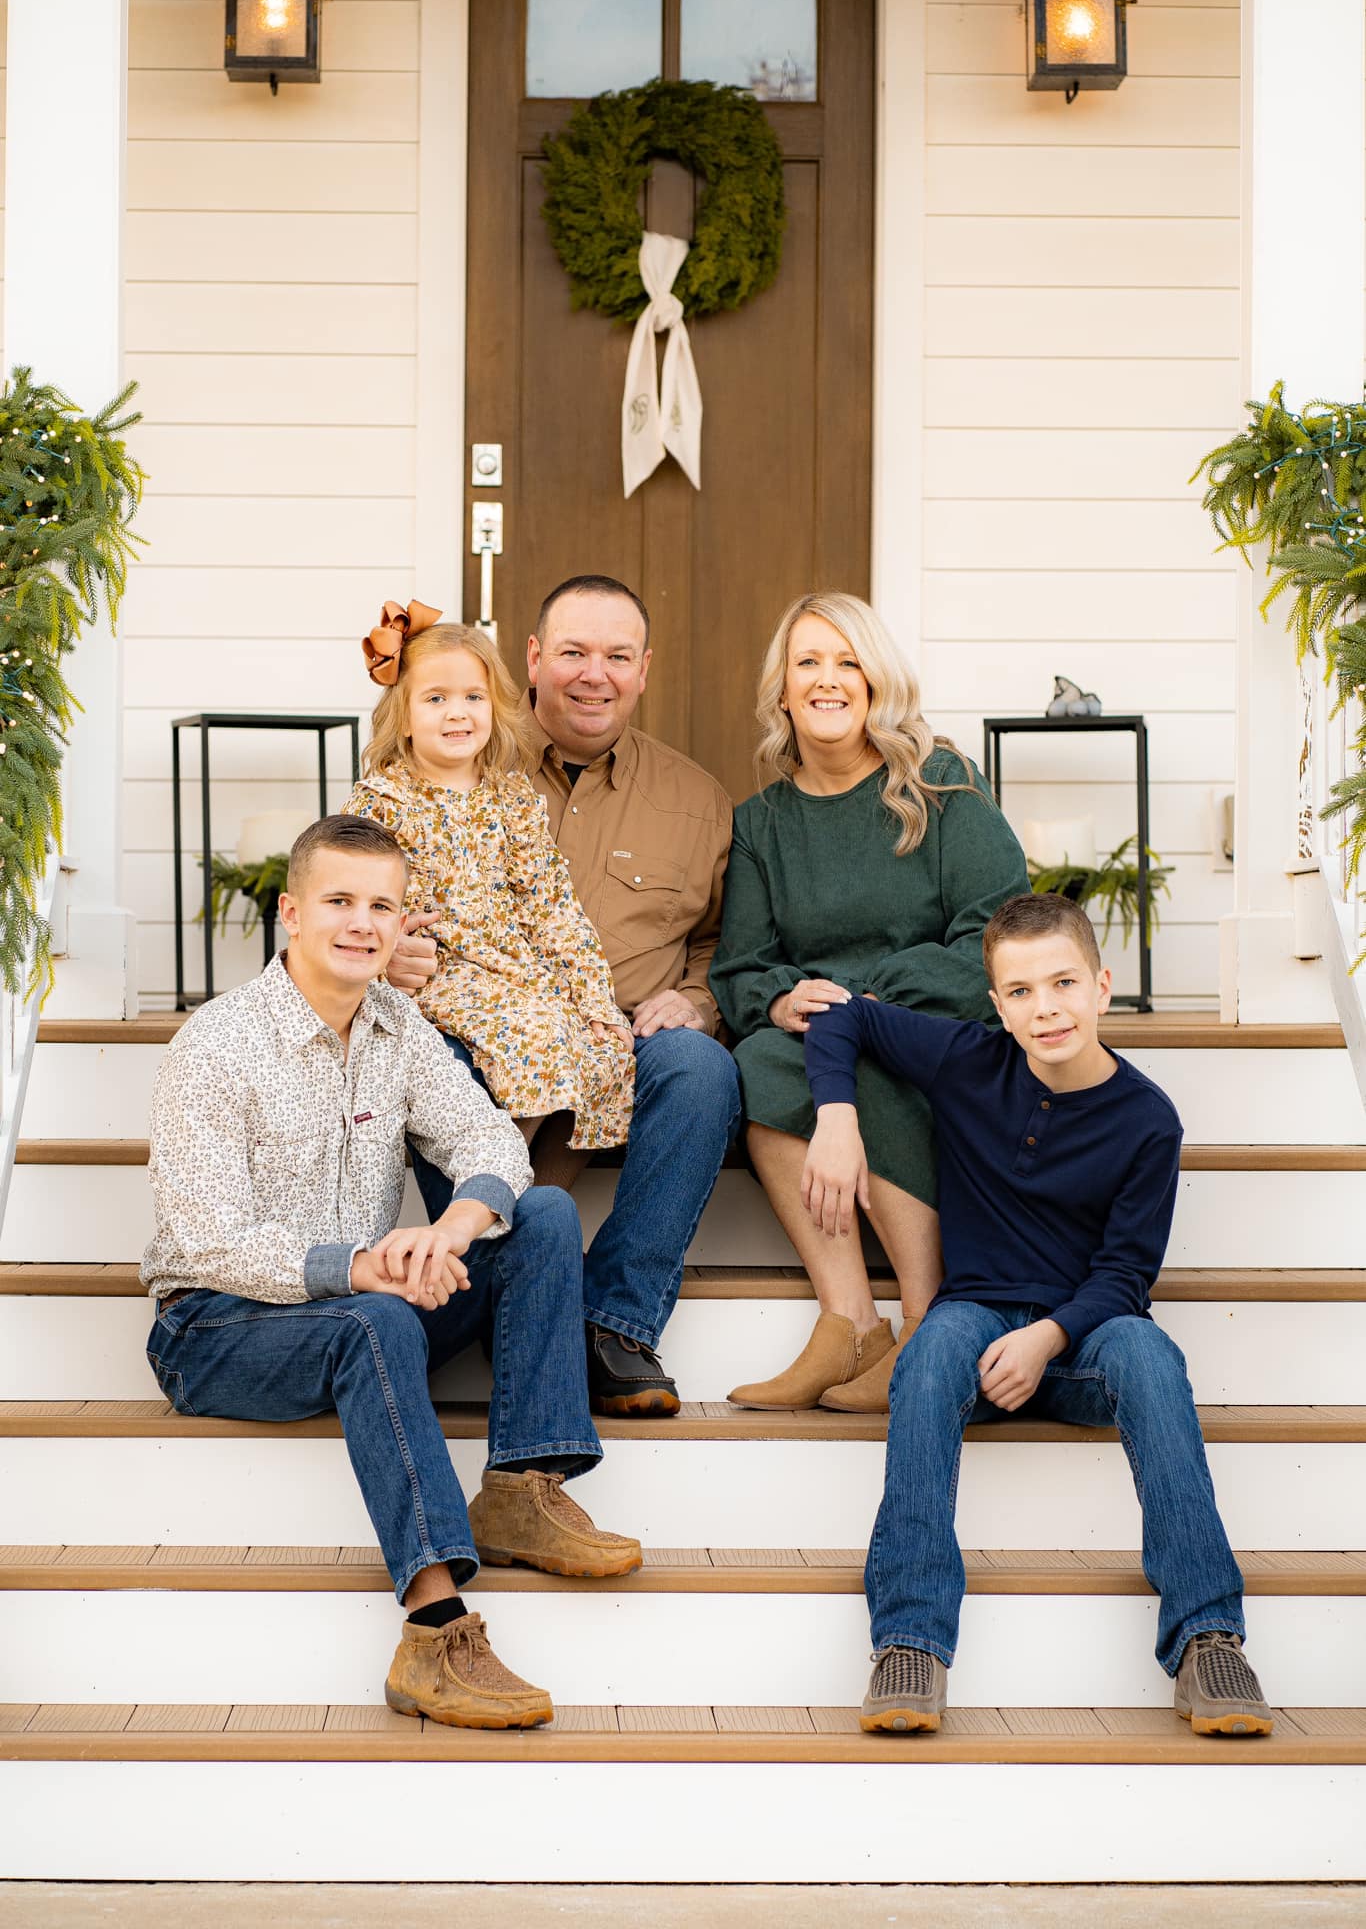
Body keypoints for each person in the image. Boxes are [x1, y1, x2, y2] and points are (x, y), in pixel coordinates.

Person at [143, 812, 641, 1733]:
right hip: (216, 1328)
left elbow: (491, 1139)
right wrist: (362, 1268)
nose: (362, 924)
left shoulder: (396, 1024)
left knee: (540, 1214)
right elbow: (208, 1240)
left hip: (369, 1307)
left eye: (383, 906)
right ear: (292, 912)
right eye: (339, 901)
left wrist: (449, 1230)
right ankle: (435, 1631)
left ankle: (523, 1489)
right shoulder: (213, 1047)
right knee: (377, 1322)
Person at [803, 890, 1273, 1739]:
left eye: (1062, 983)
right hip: (977, 1323)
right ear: (997, 1006)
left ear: (1100, 986)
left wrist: (1049, 1334)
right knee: (930, 1350)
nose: (1045, 1007)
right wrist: (837, 1117)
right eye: (1021, 992)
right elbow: (843, 1020)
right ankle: (909, 1642)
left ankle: (1209, 1637)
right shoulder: (968, 1060)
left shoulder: (1146, 1121)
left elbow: (1125, 1275)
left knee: (1150, 1355)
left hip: (1086, 1340)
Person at [388, 575, 741, 1419]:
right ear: (534, 661)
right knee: (437, 1063)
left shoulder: (696, 801)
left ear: (644, 669)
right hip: (474, 1022)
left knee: (699, 1069)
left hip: (623, 1032)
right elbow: (353, 883)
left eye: (617, 656)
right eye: (574, 652)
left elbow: (721, 944)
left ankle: (613, 1322)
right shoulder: (460, 761)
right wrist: (385, 949)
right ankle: (496, 1289)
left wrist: (694, 999)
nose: (595, 675)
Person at [710, 591, 1028, 1414]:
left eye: (848, 661)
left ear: (877, 681)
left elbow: (998, 932)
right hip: (819, 1046)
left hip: (937, 1019)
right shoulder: (761, 824)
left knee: (875, 1054)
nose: (827, 680)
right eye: (807, 662)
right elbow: (741, 967)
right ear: (781, 689)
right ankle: (849, 1321)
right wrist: (780, 1002)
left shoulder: (941, 784)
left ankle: (927, 1318)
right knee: (758, 1059)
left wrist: (874, 1000)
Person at [344, 607, 635, 1171]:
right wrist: (389, 948)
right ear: (402, 717)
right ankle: (494, 1167)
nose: (457, 713)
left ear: (495, 709)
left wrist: (595, 1001)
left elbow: (553, 907)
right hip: (441, 971)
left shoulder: (512, 798)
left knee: (601, 1046)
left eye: (473, 697)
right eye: (435, 699)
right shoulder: (382, 802)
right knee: (537, 1032)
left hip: (515, 969)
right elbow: (359, 900)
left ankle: (514, 1182)